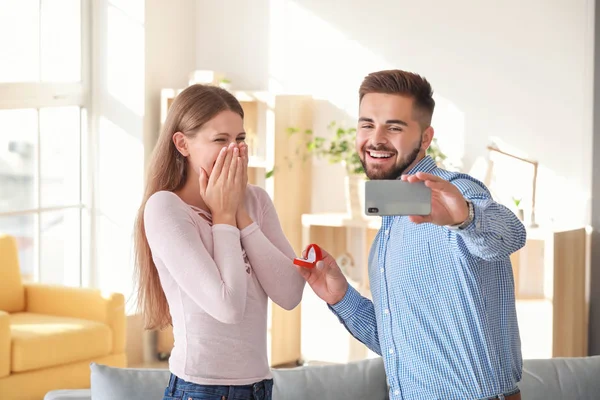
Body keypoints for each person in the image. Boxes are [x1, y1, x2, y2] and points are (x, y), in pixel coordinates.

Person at [296, 70, 526, 400]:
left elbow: (510, 235)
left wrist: (464, 217)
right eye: (367, 124)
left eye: (394, 127)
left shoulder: (455, 194)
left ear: (426, 137)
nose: (376, 138)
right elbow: (400, 343)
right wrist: (341, 296)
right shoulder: (389, 229)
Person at [133, 84, 305, 400]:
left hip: (258, 387)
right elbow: (227, 307)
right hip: (200, 389)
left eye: (240, 139)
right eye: (220, 140)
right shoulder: (166, 208)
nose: (235, 150)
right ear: (182, 144)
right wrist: (224, 215)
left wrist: (239, 211)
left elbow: (291, 293)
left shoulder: (256, 201)